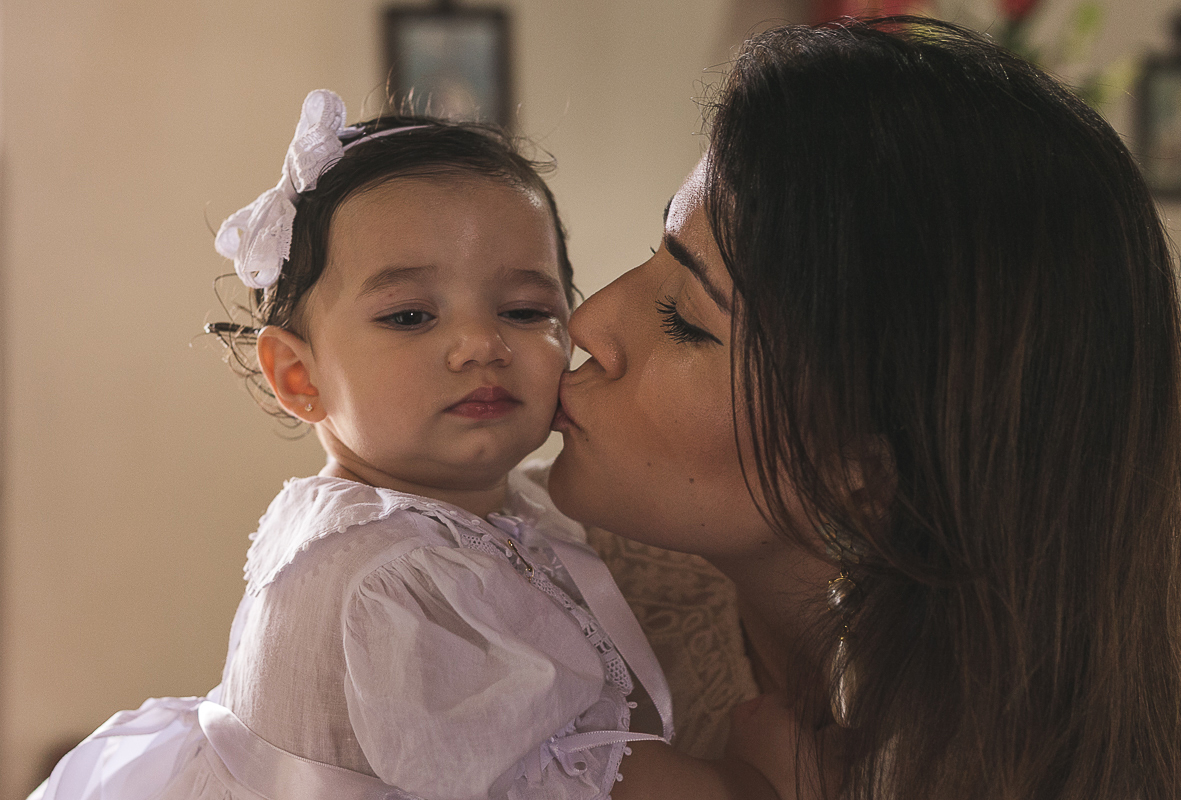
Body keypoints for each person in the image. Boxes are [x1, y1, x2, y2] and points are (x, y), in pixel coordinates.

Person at [30, 90, 787, 800]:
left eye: (526, 309)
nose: (480, 344)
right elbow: (578, 779)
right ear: (299, 377)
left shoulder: (475, 516)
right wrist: (757, 779)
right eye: (410, 317)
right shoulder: (394, 575)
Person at [549, 17, 1181, 800]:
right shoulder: (491, 594)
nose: (588, 322)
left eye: (686, 316)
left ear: (866, 468)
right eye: (658, 250)